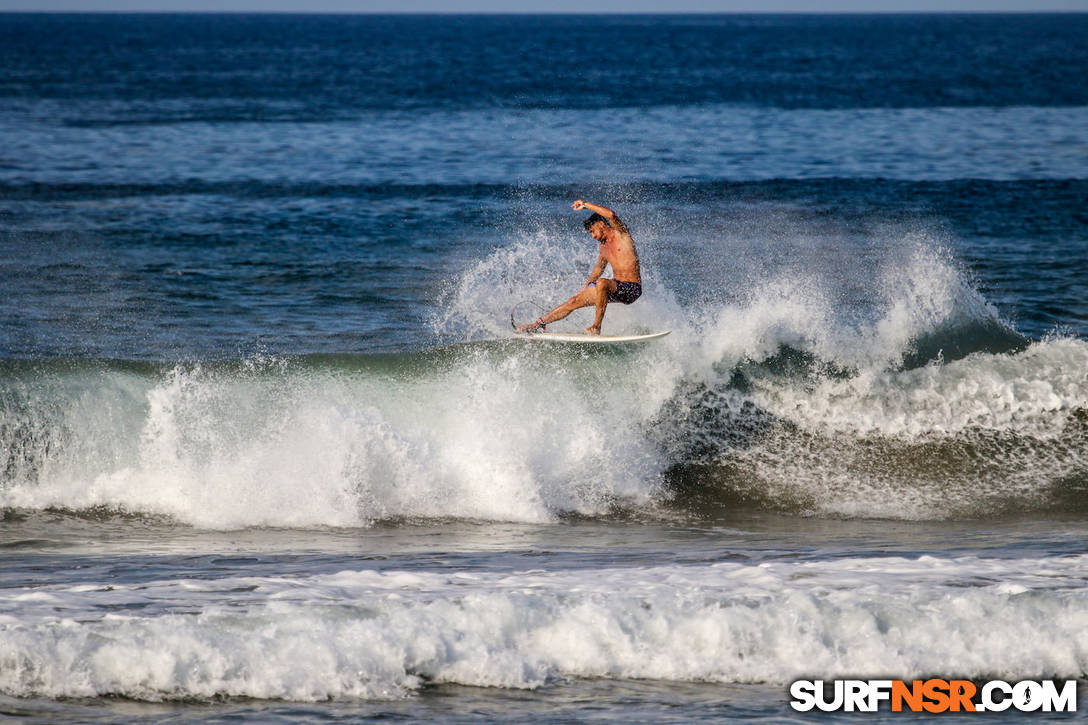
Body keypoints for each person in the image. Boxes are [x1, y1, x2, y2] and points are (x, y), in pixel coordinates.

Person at [517, 199, 642, 335]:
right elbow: (599, 269)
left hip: (632, 289)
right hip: (614, 288)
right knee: (574, 300)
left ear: (601, 224)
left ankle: (596, 327)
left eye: (592, 231)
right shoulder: (603, 247)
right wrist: (587, 285)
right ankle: (538, 324)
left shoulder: (622, 235)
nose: (592, 236)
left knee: (601, 283)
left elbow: (611, 215)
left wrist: (585, 205)